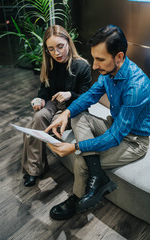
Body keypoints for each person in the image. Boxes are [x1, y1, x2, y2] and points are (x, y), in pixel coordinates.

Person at [45, 25, 150, 220]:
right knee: (78, 115)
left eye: (100, 59)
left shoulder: (136, 87)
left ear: (119, 56)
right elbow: (90, 96)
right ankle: (99, 177)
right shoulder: (108, 74)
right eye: (94, 58)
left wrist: (75, 146)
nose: (94, 66)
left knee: (81, 160)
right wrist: (66, 113)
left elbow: (114, 137)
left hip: (133, 141)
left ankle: (78, 200)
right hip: (114, 125)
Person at [22, 25, 92, 187]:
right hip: (54, 103)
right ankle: (35, 170)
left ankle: (33, 167)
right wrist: (39, 100)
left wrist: (70, 95)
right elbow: (44, 90)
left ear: (69, 42)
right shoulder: (49, 64)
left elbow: (88, 98)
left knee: (35, 126)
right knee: (39, 116)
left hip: (74, 107)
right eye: (51, 49)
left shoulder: (82, 66)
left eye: (60, 47)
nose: (57, 53)